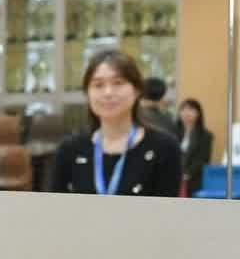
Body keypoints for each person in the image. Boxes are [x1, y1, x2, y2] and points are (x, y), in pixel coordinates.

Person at [52, 51, 181, 197]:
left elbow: (168, 215)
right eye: (98, 85)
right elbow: (56, 213)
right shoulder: (69, 150)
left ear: (137, 90)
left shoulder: (164, 148)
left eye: (118, 83)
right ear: (87, 92)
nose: (108, 93)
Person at [177, 97, 214, 195]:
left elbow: (202, 158)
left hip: (194, 179)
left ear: (198, 113)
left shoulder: (205, 135)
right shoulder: (172, 133)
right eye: (183, 109)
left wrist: (186, 174)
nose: (187, 113)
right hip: (173, 177)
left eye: (191, 109)